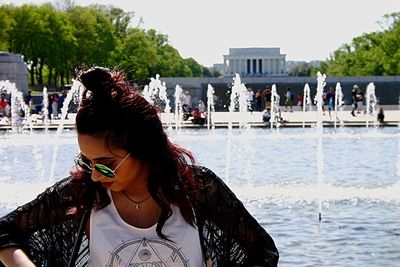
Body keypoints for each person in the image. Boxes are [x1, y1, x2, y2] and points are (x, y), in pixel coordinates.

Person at [0, 67, 279, 266]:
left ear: (143, 149)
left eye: (106, 165)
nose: (95, 175)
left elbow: (262, 252)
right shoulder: (82, 193)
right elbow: (4, 232)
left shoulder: (199, 188)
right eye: (86, 162)